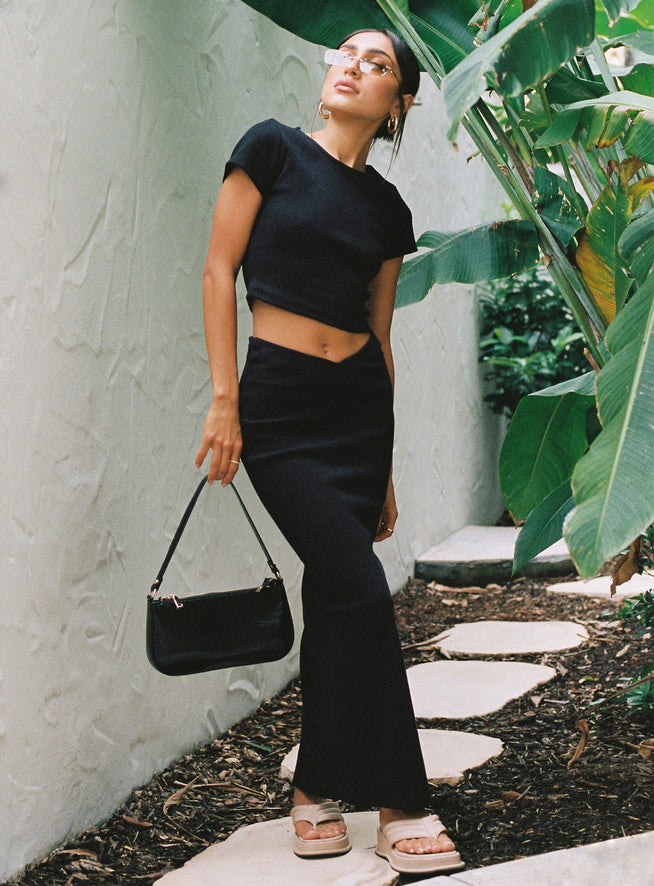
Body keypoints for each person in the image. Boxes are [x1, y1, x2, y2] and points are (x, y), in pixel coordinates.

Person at [195, 28, 464, 876]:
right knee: (361, 591)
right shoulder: (270, 150)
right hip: (279, 408)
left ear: (399, 103)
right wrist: (225, 399)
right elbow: (217, 270)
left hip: (357, 415)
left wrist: (385, 467)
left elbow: (381, 337)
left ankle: (315, 789)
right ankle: (402, 801)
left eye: (376, 64)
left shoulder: (386, 210)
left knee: (339, 598)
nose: (351, 65)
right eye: (345, 53)